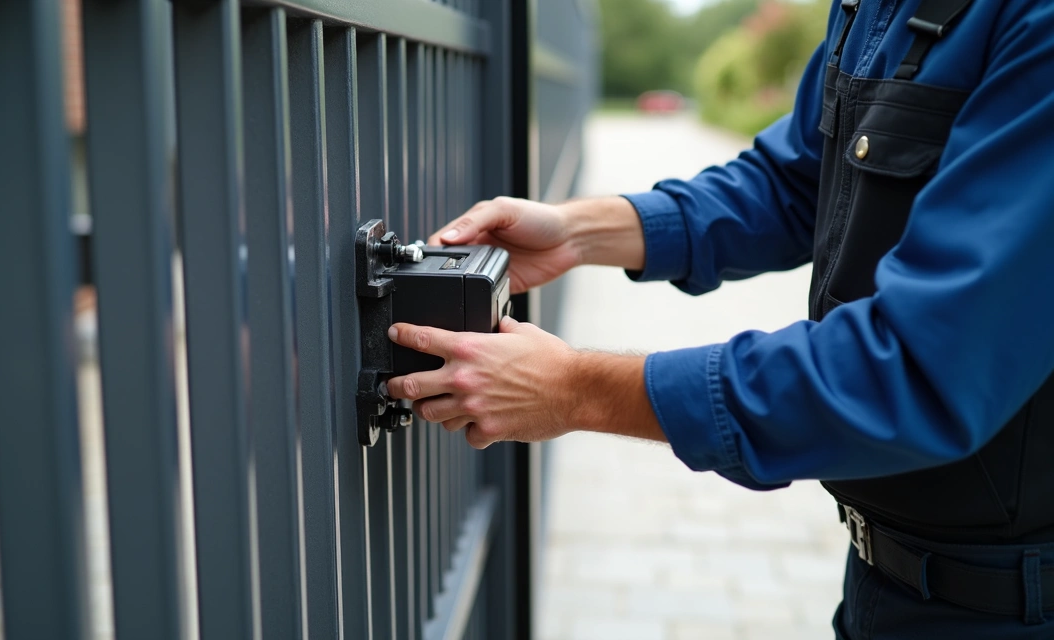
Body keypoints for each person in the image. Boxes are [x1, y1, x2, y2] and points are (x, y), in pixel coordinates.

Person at [383, 0, 1054, 636]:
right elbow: (794, 181)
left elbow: (917, 370)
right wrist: (579, 231)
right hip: (887, 580)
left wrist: (573, 389)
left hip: (1008, 605)